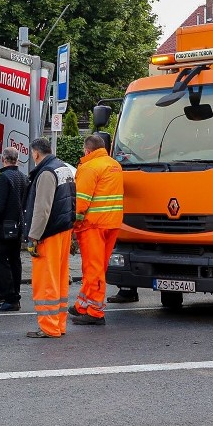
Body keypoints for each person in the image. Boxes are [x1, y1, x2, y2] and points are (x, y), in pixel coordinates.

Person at [68, 134, 124, 326]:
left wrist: (73, 226)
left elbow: (80, 202)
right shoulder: (115, 165)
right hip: (112, 223)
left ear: (87, 151)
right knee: (97, 267)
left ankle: (95, 311)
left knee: (93, 269)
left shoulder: (89, 167)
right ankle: (82, 305)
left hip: (93, 225)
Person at [23, 137, 76, 338]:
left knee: (46, 280)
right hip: (63, 230)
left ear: (36, 153)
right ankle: (59, 324)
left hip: (49, 232)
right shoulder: (62, 168)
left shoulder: (45, 172)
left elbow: (42, 209)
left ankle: (48, 326)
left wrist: (33, 236)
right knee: (60, 278)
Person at [0, 146, 29, 312]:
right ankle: (15, 295)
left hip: (4, 227)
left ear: (3, 159)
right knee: (15, 261)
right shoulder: (23, 177)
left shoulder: (3, 178)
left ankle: (10, 298)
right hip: (18, 227)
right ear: (17, 159)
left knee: (1, 262)